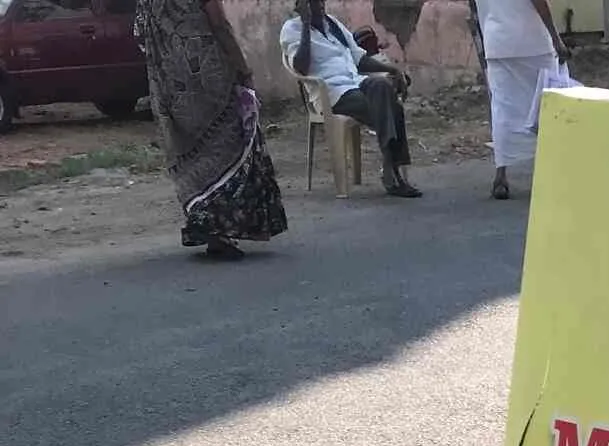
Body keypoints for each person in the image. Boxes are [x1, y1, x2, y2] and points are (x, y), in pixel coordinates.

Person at [134, 0, 288, 260]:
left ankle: (204, 222)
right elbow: (219, 25)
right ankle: (220, 227)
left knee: (190, 152)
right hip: (209, 79)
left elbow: (140, 34)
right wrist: (243, 69)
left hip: (169, 84)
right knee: (229, 145)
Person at [281, 1, 421, 198]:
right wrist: (305, 25)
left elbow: (359, 59)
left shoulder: (333, 25)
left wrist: (392, 69)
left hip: (356, 82)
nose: (320, 6)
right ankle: (392, 172)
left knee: (382, 86)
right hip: (332, 93)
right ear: (301, 5)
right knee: (392, 107)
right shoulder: (292, 29)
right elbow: (301, 67)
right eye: (313, 2)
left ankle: (390, 167)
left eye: (321, 1)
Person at [473, 0, 566, 201]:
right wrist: (556, 38)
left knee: (502, 108)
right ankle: (550, 172)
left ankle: (501, 175)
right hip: (534, 45)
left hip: (497, 43)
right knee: (544, 107)